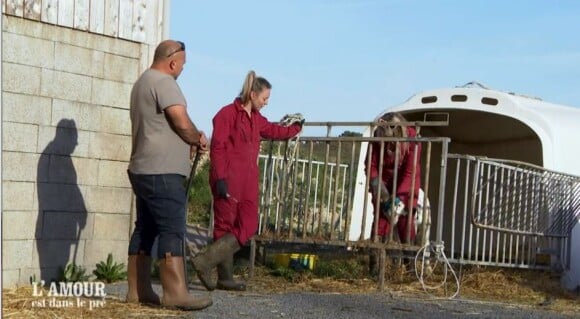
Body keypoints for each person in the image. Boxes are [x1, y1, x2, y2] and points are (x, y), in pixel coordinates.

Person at [192, 71, 304, 291]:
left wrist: (295, 129)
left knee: (248, 224)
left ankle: (208, 261)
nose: (266, 103)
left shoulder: (256, 119)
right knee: (224, 226)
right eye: (264, 98)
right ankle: (218, 272)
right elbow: (218, 147)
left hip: (248, 181)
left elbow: (273, 130)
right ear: (252, 94)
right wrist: (221, 178)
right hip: (229, 179)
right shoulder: (226, 115)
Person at [126, 40, 212, 310]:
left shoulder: (142, 82)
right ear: (172, 61)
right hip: (162, 171)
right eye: (182, 64)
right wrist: (196, 138)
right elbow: (180, 120)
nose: (182, 69)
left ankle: (137, 291)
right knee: (172, 228)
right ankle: (175, 293)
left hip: (141, 168)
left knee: (146, 228)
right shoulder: (164, 83)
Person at [365, 112, 422, 274]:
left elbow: (410, 173)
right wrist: (382, 195)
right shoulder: (377, 136)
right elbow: (371, 166)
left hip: (406, 182)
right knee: (380, 220)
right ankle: (375, 267)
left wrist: (397, 200)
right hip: (383, 182)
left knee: (405, 219)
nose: (388, 146)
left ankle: (410, 266)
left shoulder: (413, 140)